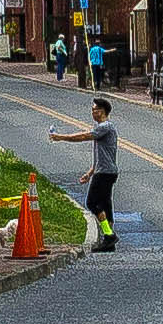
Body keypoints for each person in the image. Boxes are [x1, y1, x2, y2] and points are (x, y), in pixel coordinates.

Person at [51, 96, 120, 248]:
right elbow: (102, 155)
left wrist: (61, 137)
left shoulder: (105, 127)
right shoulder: (106, 128)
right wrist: (90, 172)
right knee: (105, 205)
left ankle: (109, 235)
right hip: (104, 171)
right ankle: (109, 240)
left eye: (94, 110)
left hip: (105, 173)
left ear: (101, 112)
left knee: (92, 202)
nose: (92, 113)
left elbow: (83, 136)